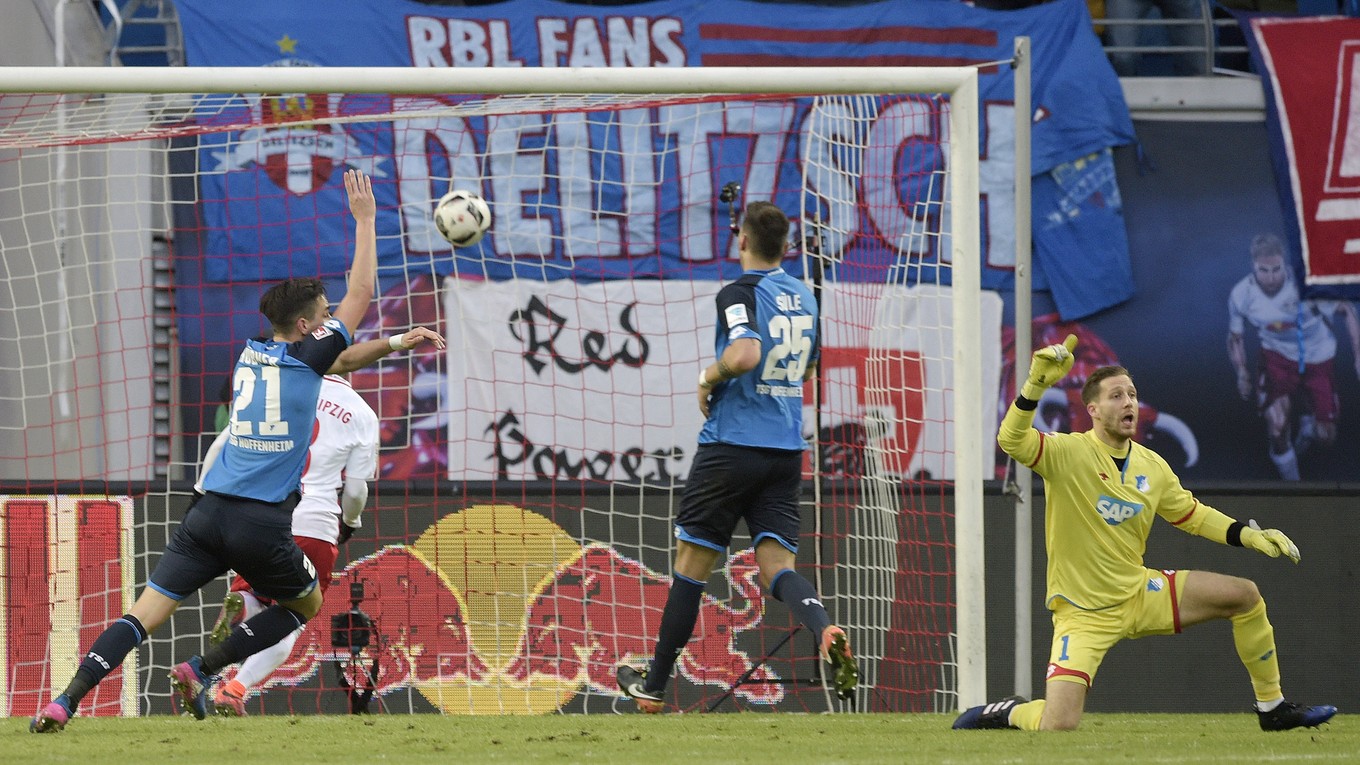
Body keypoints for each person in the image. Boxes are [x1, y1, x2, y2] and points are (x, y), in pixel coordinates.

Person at [31, 169, 445, 732]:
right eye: (324, 318)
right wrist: (365, 221)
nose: (331, 322)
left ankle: (65, 702)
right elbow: (362, 295)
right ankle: (203, 668)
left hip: (207, 513)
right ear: (304, 326)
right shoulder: (308, 362)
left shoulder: (253, 354)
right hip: (259, 523)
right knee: (304, 607)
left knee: (142, 614)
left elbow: (341, 359)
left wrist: (396, 340)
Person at [954, 335, 1337, 732]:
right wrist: (1035, 384)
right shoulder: (1067, 453)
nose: (1129, 403)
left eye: (1133, 395)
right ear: (1093, 410)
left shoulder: (1152, 465)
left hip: (1138, 592)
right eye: (1116, 396)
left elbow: (1192, 515)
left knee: (1244, 596)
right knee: (1059, 723)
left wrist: (1248, 535)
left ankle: (1272, 709)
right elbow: (1010, 440)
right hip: (1083, 613)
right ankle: (1010, 711)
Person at [615, 201, 858, 713]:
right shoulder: (804, 296)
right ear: (786, 247)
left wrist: (708, 378)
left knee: (692, 564)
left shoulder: (739, 292)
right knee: (776, 568)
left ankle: (654, 686)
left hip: (732, 447)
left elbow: (743, 353)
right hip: (785, 451)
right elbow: (809, 369)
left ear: (741, 241)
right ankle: (824, 627)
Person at [196, 372, 379, 716]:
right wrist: (350, 523)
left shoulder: (277, 392)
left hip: (262, 514)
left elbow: (223, 445)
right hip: (315, 523)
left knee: (256, 595)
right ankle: (235, 690)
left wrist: (203, 494)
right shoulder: (362, 412)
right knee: (292, 617)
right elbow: (356, 491)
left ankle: (245, 603)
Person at [1227, 233, 1360, 480]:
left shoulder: (1307, 285)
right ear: (1253, 266)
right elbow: (1235, 336)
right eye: (1263, 270)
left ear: (1285, 265)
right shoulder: (1242, 294)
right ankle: (1293, 486)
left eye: (1276, 269)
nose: (1270, 277)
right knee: (1277, 428)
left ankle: (1309, 415)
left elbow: (1346, 310)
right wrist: (1242, 373)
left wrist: (1358, 354)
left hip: (1317, 358)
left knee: (1325, 436)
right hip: (1276, 359)